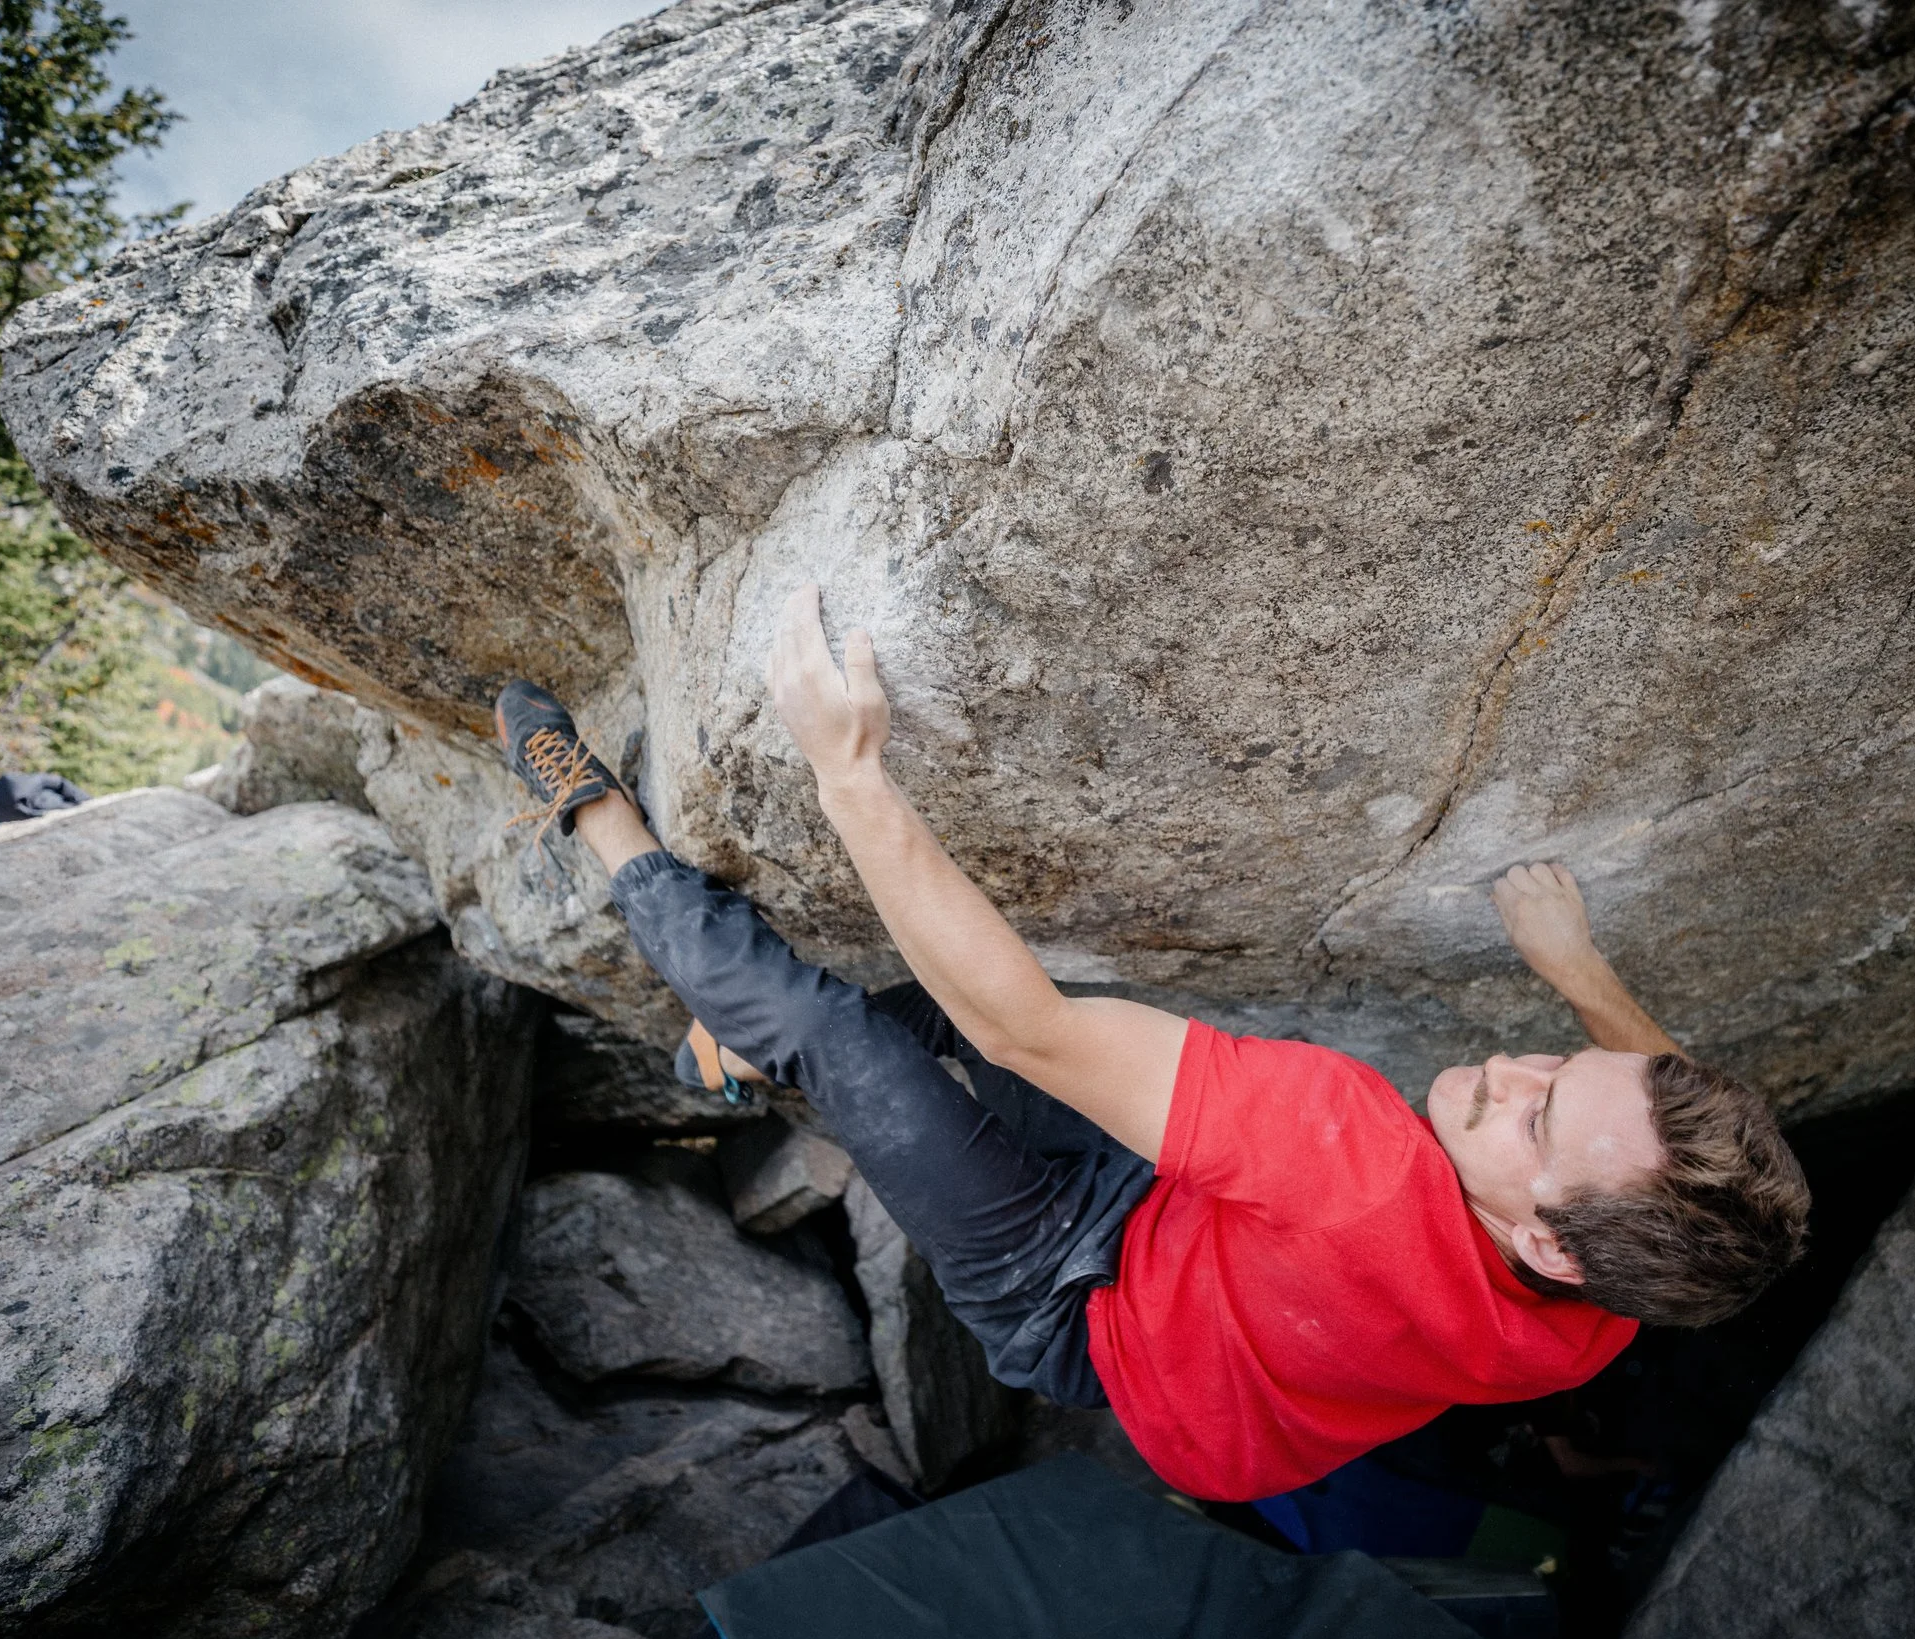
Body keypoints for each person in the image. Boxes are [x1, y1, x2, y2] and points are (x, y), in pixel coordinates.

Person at [493, 585, 1810, 1503]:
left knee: (869, 1036)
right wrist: (1584, 979)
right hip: (1190, 1243)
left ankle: (601, 821)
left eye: (1533, 1116)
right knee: (946, 1007)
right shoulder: (1628, 1287)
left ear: (1549, 1243)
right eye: (1556, 1061)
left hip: (1077, 1314)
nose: (1510, 1072)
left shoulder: (1348, 1149)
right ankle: (749, 1042)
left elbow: (1034, 1028)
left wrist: (849, 771)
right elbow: (1671, 1132)